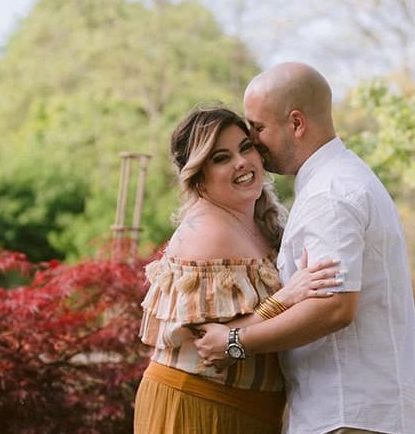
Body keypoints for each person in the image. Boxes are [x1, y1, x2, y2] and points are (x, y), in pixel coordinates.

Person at [193, 62, 415, 434]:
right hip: (359, 410)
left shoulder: (330, 195)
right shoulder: (339, 179)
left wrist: (235, 342)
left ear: (296, 123)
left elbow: (334, 307)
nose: (253, 141)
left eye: (258, 128)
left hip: (351, 414)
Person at [135, 104, 343, 434]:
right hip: (198, 404)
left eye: (245, 147)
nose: (242, 162)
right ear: (198, 176)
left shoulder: (262, 221)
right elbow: (212, 346)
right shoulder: (207, 235)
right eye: (221, 158)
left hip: (251, 410)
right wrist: (286, 297)